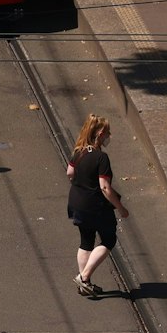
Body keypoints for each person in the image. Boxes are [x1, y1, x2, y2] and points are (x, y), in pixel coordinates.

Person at [66, 114, 128, 297]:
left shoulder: (78, 151)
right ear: (100, 133)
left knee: (86, 241)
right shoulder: (101, 158)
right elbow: (105, 188)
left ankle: (84, 285)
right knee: (109, 239)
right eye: (107, 132)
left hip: (76, 202)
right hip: (95, 206)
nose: (109, 135)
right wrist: (121, 208)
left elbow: (70, 173)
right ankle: (83, 278)